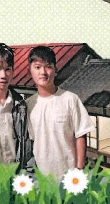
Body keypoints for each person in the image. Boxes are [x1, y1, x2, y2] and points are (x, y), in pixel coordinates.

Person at [26, 46, 93, 179]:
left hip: (69, 174)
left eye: (48, 66)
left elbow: (81, 134)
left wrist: (79, 169)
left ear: (56, 70)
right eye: (38, 67)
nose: (43, 72)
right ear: (30, 71)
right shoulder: (28, 105)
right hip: (41, 177)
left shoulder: (70, 99)